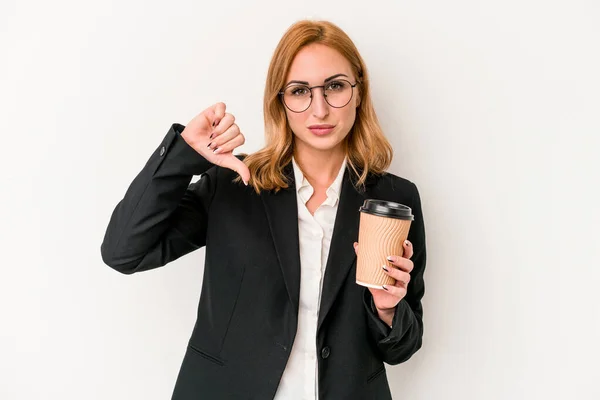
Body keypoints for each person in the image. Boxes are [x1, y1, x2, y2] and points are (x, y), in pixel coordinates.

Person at [101, 19, 426, 400]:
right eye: (300, 90)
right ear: (280, 100)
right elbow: (124, 252)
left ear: (358, 92)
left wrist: (388, 310)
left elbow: (401, 349)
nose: (318, 109)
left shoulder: (395, 198)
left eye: (335, 86)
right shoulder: (235, 183)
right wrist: (183, 157)